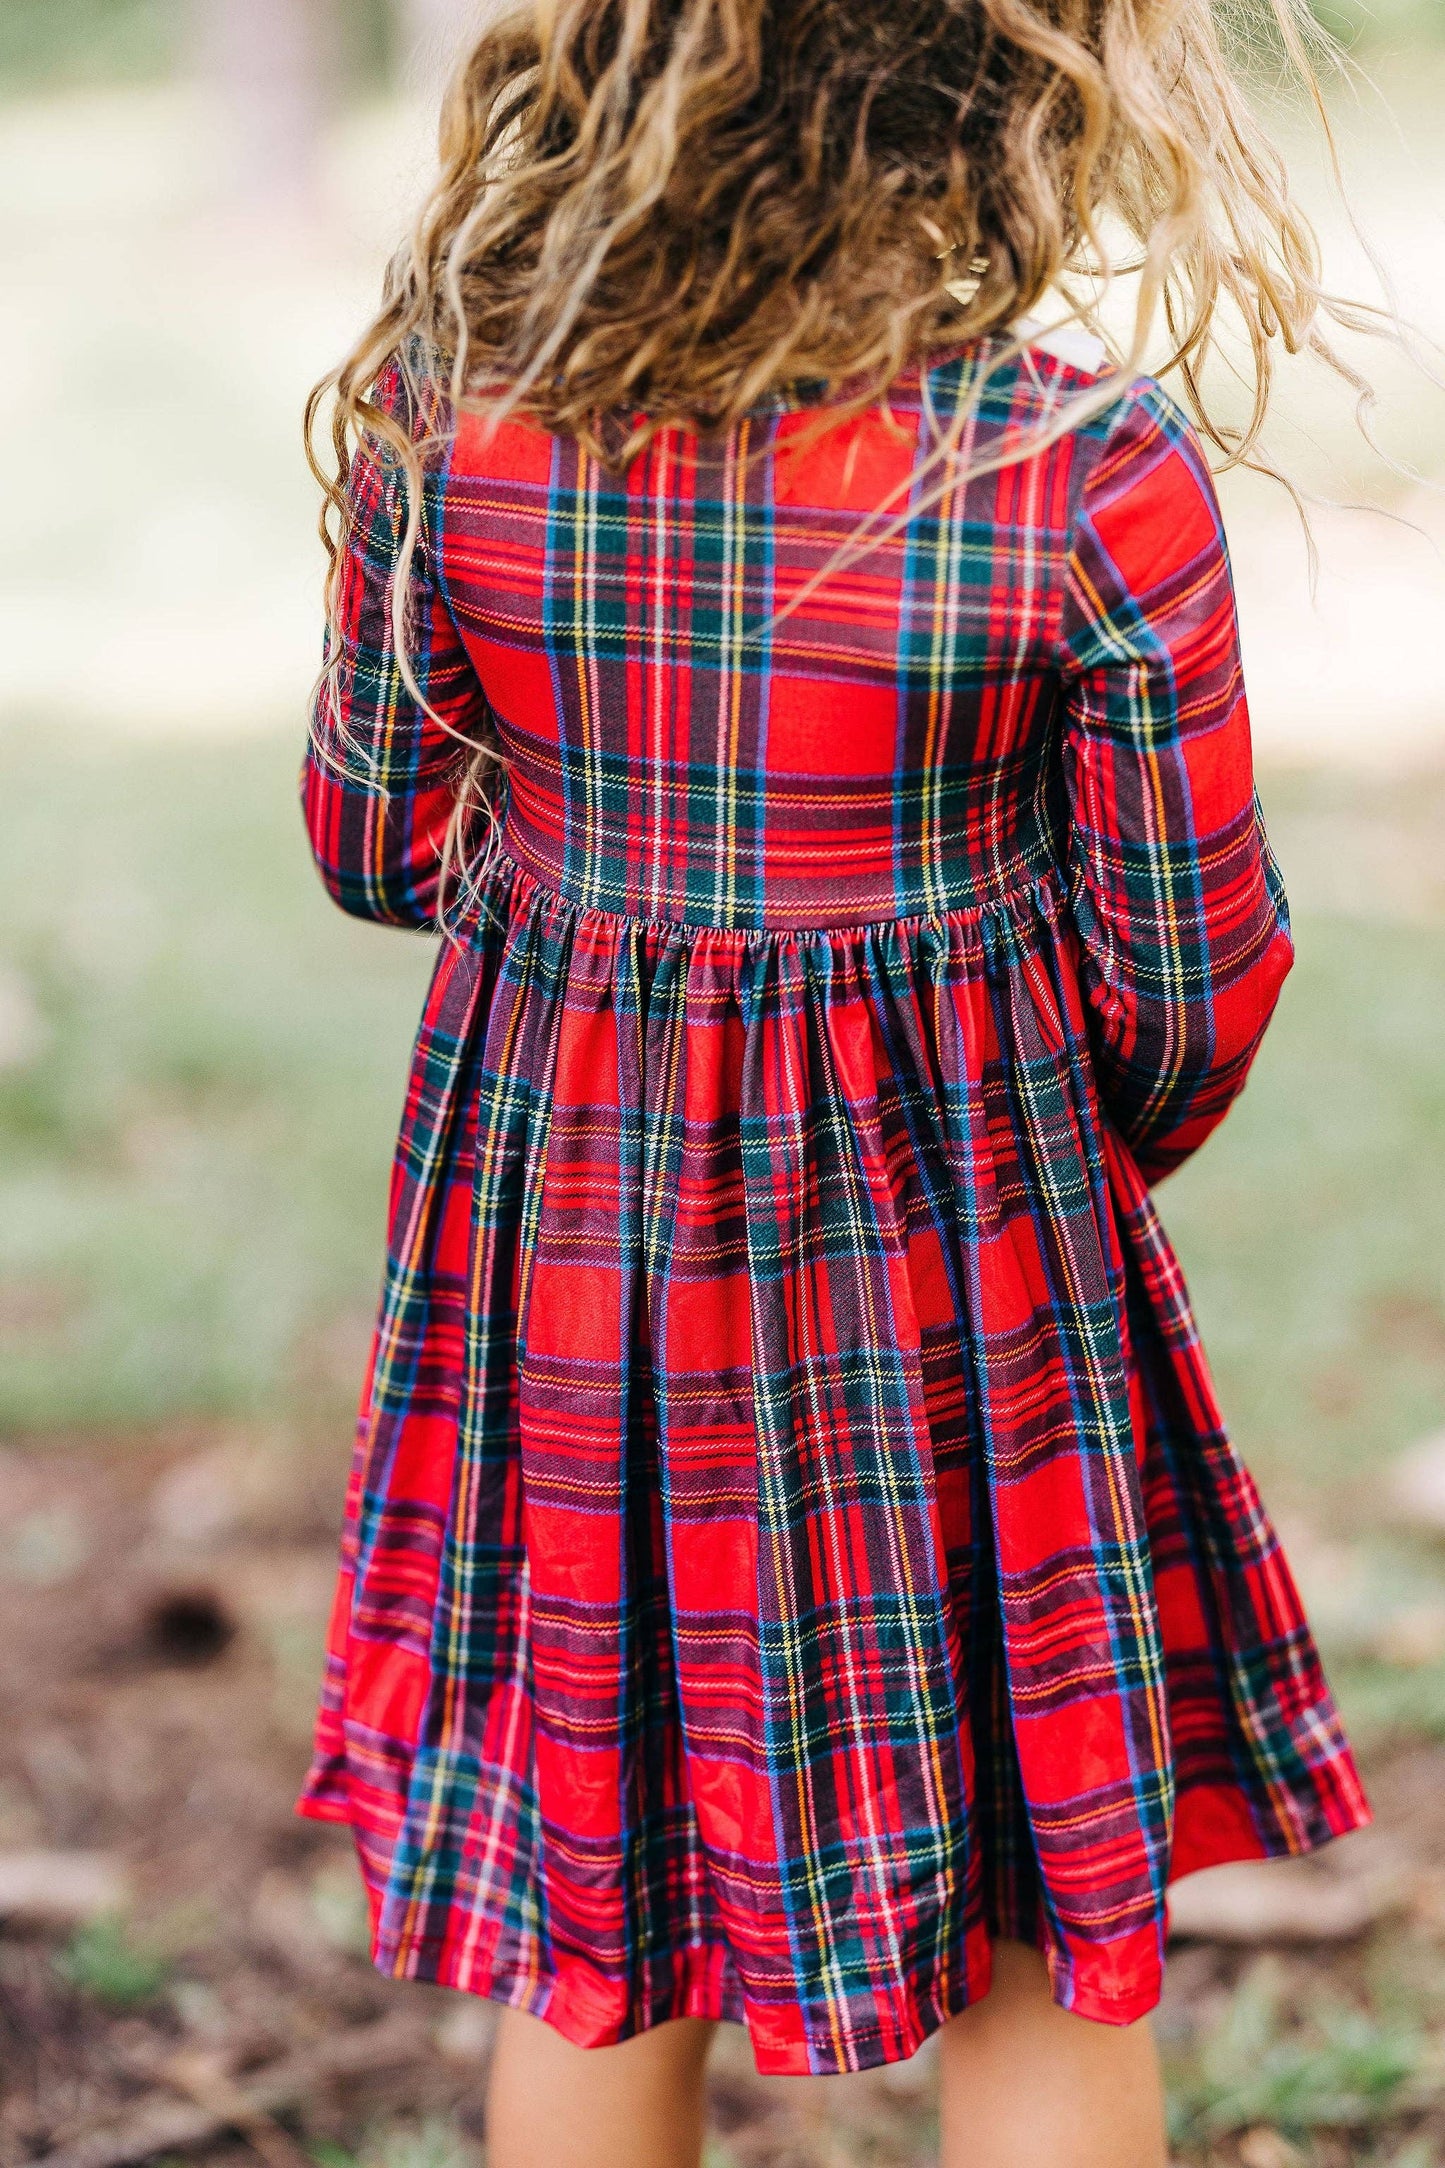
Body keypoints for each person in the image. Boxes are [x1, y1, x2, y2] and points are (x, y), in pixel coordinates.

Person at [295, 0, 1377, 2159]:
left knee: (603, 1886)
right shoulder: (1075, 470)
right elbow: (1190, 977)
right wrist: (1052, 1152)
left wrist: (603, 939)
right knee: (1030, 1905)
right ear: (1002, 96)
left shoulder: (456, 420)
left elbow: (371, 843)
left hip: (584, 1271)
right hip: (964, 1279)